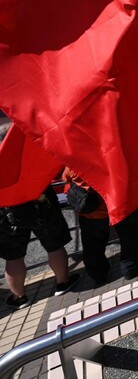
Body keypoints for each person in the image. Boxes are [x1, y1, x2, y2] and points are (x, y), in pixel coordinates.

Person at [0, 126, 78, 309]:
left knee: (14, 257)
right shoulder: (30, 157)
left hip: (6, 211)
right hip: (41, 203)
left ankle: (19, 297)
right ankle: (62, 283)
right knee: (54, 246)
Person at [64, 167, 138, 285]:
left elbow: (66, 176)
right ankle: (130, 268)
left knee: (93, 244)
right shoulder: (113, 151)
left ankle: (99, 275)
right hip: (119, 203)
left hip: (93, 210)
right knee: (128, 235)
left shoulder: (77, 155)